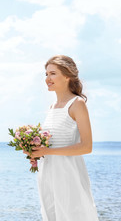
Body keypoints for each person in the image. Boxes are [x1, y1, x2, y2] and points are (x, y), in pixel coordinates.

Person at [24, 55, 99, 221]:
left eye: (52, 73)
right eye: (46, 74)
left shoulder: (77, 104)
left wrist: (47, 151)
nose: (47, 79)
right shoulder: (51, 107)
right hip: (47, 173)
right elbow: (49, 144)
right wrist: (35, 152)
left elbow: (86, 146)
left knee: (72, 215)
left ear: (67, 76)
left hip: (67, 174)